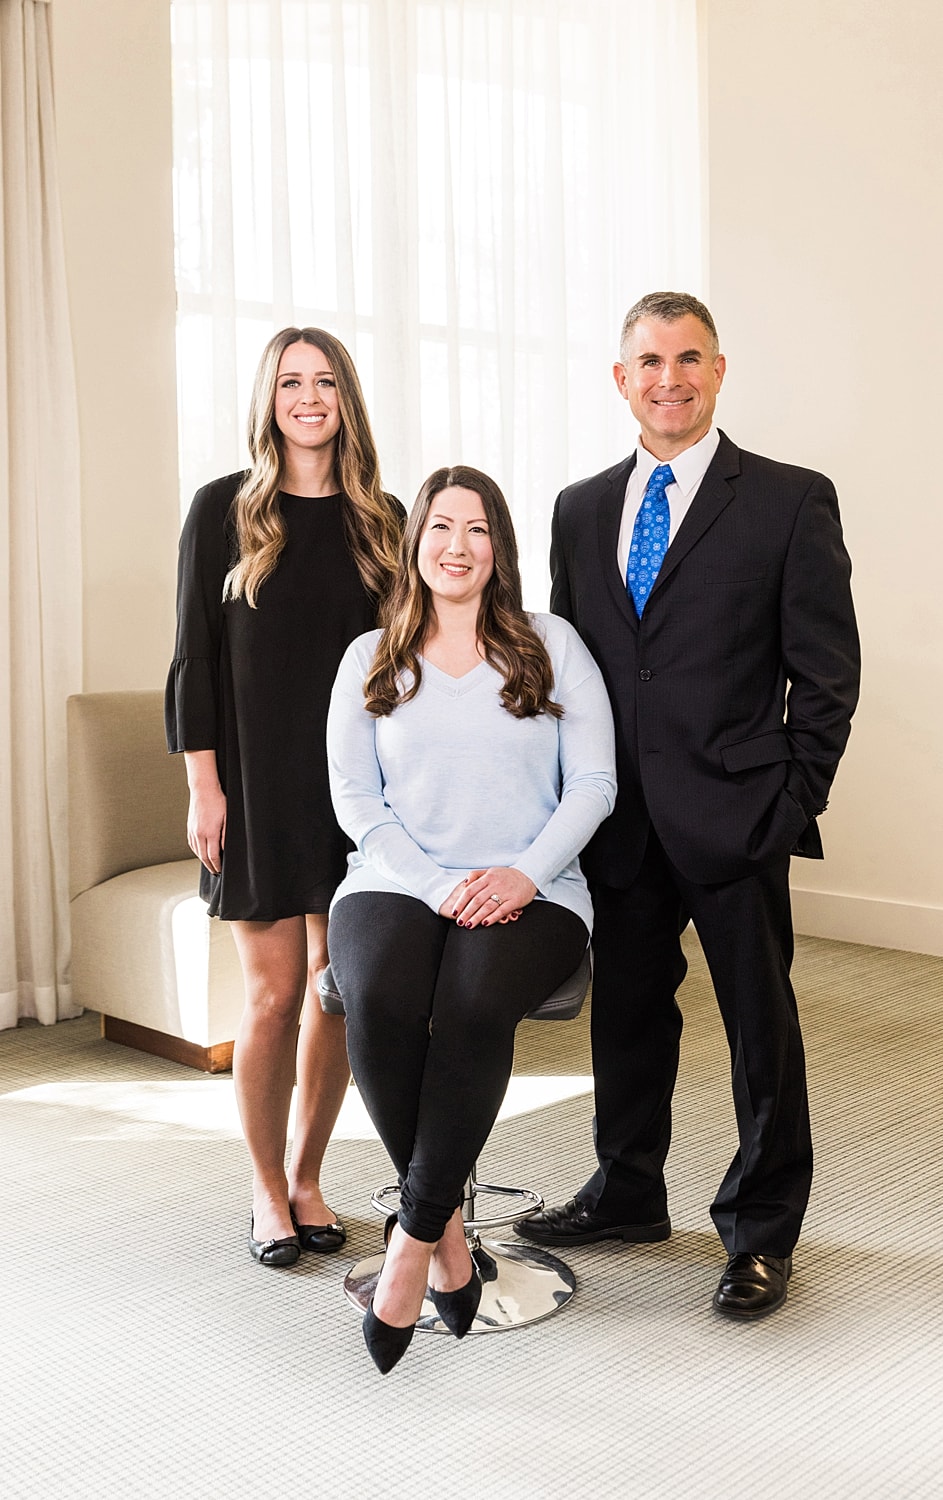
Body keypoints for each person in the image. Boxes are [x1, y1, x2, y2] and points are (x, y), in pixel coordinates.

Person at [516, 292, 860, 1319]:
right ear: (620, 380)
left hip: (735, 809)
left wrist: (789, 794)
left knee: (761, 1027)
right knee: (625, 1014)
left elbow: (826, 674)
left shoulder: (790, 500)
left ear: (718, 372)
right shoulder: (579, 509)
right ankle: (626, 1191)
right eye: (648, 361)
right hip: (619, 815)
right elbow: (573, 668)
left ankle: (760, 1232)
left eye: (688, 358)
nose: (668, 377)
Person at [325, 464, 616, 1371]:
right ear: (414, 543)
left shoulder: (549, 642)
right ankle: (447, 1232)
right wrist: (430, 883)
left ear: (500, 548)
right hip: (395, 878)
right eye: (441, 527)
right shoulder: (369, 654)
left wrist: (525, 875)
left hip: (534, 888)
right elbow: (355, 798)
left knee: (470, 1005)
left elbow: (596, 783)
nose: (457, 546)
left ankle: (409, 1243)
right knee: (375, 994)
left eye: (478, 529)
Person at [165, 327, 404, 1266]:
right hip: (255, 789)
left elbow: (404, 664)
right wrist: (203, 787)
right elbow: (194, 659)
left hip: (354, 792)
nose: (309, 397)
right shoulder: (223, 510)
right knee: (269, 998)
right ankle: (264, 1190)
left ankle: (308, 1177)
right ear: (269, 399)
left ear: (347, 397)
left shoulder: (383, 516)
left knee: (334, 994)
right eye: (291, 383)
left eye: (326, 381)